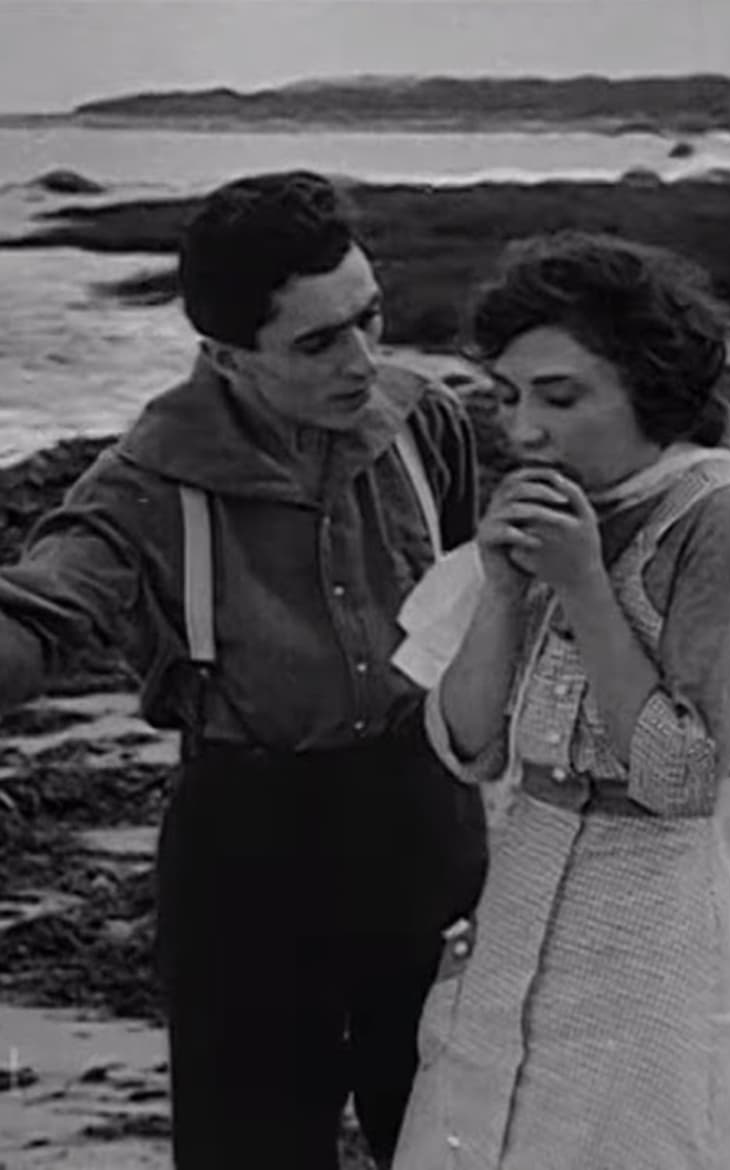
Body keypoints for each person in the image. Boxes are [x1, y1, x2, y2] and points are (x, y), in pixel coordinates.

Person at [0, 171, 486, 1168]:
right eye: (319, 342)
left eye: (370, 316)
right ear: (225, 355)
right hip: (248, 851)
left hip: (427, 820)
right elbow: (40, 612)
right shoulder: (140, 483)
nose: (364, 359)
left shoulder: (424, 420)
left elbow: (470, 590)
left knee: (460, 1140)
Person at [390, 231, 730, 1170]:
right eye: (507, 396)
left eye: (559, 398)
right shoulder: (565, 502)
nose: (523, 429)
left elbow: (683, 779)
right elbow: (467, 747)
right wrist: (502, 588)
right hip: (521, 888)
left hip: (646, 924)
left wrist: (585, 588)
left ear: (648, 386)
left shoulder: (724, 514)